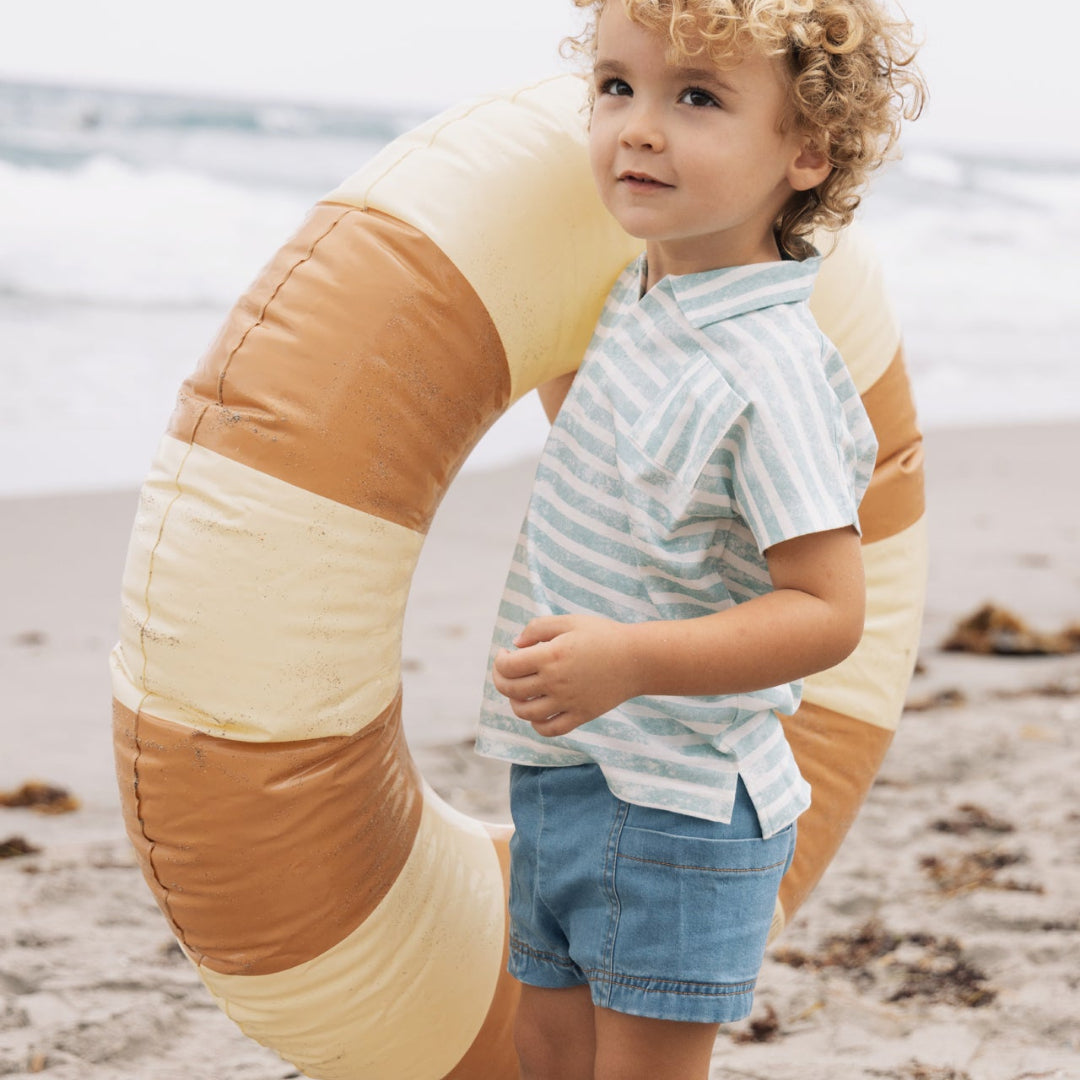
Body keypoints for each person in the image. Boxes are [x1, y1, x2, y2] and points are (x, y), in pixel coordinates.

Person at [474, 1, 925, 1076]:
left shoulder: (769, 369)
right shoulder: (638, 297)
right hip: (566, 770)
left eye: (697, 97)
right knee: (544, 1053)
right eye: (617, 86)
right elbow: (613, 452)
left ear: (806, 152)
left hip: (682, 808)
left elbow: (828, 611)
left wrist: (631, 660)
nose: (638, 126)